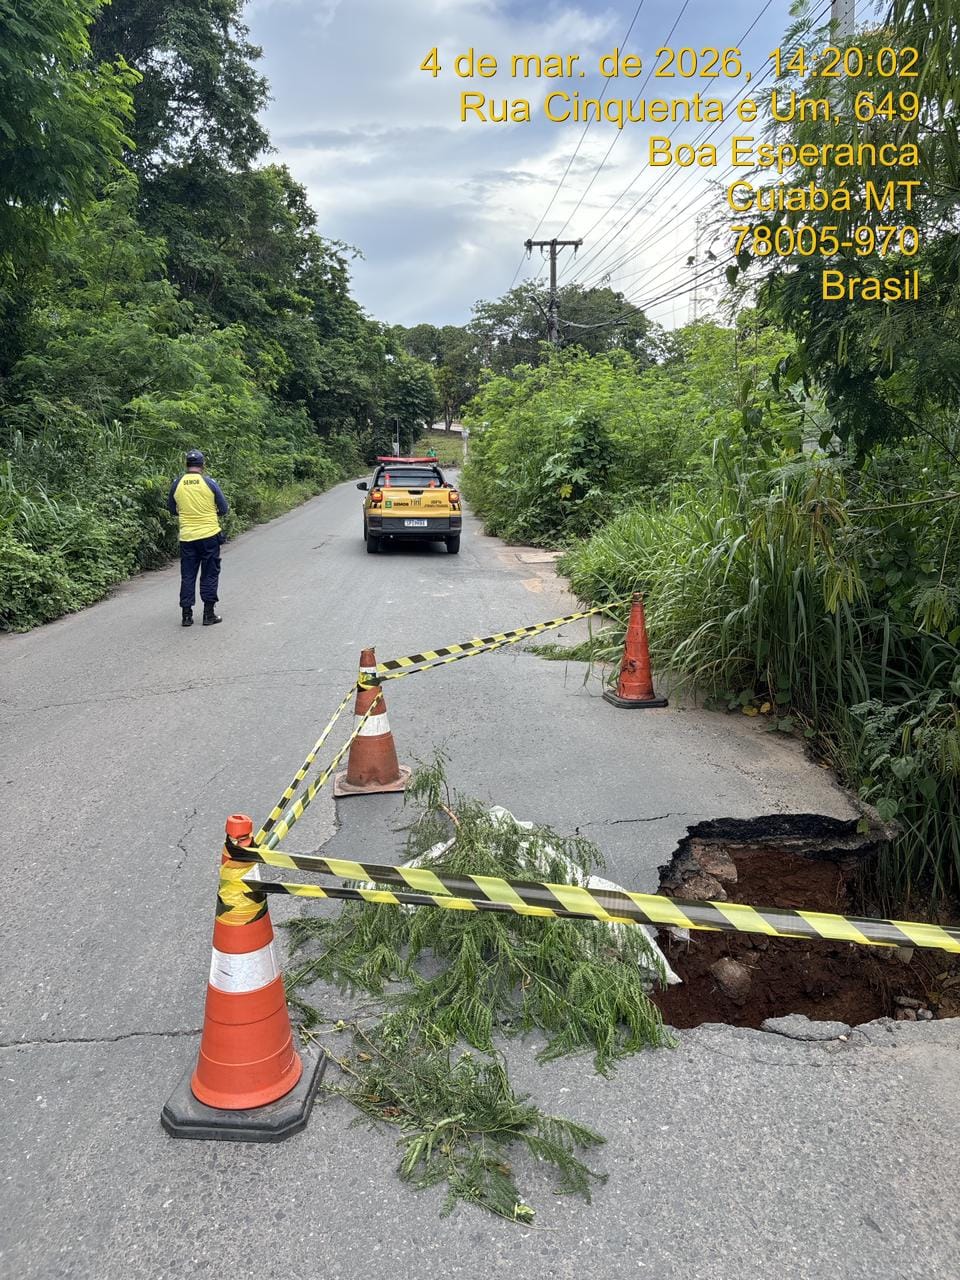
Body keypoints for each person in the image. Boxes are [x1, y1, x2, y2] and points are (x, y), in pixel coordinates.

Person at [166, 449, 228, 627]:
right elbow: (223, 509)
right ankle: (209, 614)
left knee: (188, 575)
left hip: (187, 537)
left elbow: (171, 508)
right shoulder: (209, 483)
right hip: (209, 535)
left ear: (186, 465)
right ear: (202, 465)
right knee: (209, 574)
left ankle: (187, 616)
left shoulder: (177, 483)